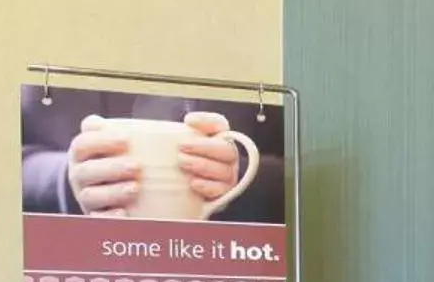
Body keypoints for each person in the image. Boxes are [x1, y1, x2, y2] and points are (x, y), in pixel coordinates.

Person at [21, 86, 285, 223]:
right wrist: (65, 179)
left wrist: (240, 181)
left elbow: (316, 162)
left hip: (234, 266)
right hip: (61, 271)